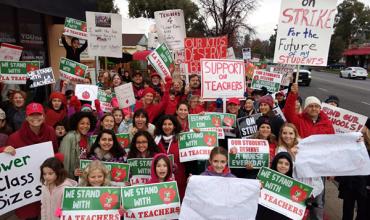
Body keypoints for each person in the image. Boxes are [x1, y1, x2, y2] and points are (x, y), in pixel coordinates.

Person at [284, 83, 335, 219]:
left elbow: (333, 147)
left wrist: (331, 170)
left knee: (318, 201)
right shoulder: (298, 120)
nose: (314, 108)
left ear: (320, 109)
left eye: (316, 106)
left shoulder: (327, 124)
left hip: (319, 167)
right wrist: (292, 94)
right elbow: (288, 112)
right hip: (301, 166)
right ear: (305, 108)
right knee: (299, 196)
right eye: (311, 106)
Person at [0, 103, 58, 220]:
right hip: (27, 188)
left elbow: (55, 151)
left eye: (39, 114)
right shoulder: (14, 137)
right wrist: (3, 150)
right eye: (32, 115)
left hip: (46, 181)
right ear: (26, 117)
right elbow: (4, 162)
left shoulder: (50, 131)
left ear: (44, 116)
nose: (35, 118)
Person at [335, 118, 370, 220]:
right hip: (351, 182)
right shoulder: (357, 139)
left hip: (366, 185)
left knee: (363, 212)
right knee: (347, 210)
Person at [154, 115, 187, 199]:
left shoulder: (182, 139)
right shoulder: (155, 141)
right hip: (160, 182)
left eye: (170, 124)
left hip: (179, 180)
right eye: (165, 124)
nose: (167, 127)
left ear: (174, 126)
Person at [256, 152, 294, 220]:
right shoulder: (264, 177)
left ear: (290, 167)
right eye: (280, 162)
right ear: (275, 163)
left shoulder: (293, 184)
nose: (283, 166)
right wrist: (257, 187)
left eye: (286, 164)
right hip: (263, 215)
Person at [59, 111, 96, 178]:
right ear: (76, 124)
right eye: (82, 123)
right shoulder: (69, 137)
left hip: (83, 177)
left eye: (88, 124)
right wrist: (72, 173)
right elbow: (64, 161)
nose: (85, 126)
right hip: (71, 178)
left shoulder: (89, 139)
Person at [40, 155, 77, 220]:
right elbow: (43, 206)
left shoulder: (65, 189)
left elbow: (65, 208)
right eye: (44, 174)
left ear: (58, 172)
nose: (47, 176)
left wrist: (57, 216)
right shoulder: (44, 186)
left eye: (50, 173)